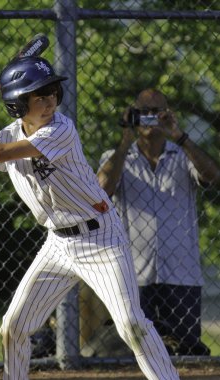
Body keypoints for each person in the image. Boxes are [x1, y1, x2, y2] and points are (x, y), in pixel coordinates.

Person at [0, 58, 180, 380]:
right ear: (16, 104)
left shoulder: (60, 128)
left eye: (53, 92)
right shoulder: (7, 134)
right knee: (14, 327)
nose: (51, 100)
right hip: (58, 244)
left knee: (131, 324)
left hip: (100, 239)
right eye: (40, 96)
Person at [97, 88, 220, 356]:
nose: (150, 118)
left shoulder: (182, 156)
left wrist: (179, 136)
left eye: (156, 112)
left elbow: (213, 177)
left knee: (185, 355)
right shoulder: (116, 157)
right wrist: (125, 140)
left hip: (181, 275)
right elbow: (101, 190)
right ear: (132, 115)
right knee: (135, 355)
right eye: (143, 112)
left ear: (167, 114)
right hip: (134, 276)